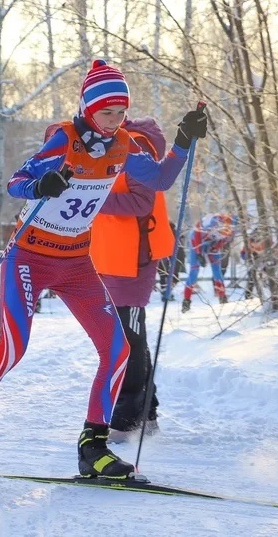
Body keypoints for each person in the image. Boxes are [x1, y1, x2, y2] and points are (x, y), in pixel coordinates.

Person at [0, 59, 207, 478]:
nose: (114, 121)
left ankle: (93, 448)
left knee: (118, 350)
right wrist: (42, 184)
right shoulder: (64, 138)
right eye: (107, 112)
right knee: (14, 347)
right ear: (88, 109)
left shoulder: (124, 144)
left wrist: (183, 140)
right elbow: (16, 183)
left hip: (75, 263)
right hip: (31, 258)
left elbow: (162, 179)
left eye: (121, 112)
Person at [90, 116, 174, 442]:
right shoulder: (100, 145)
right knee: (131, 337)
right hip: (111, 256)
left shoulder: (134, 146)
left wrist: (93, 200)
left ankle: (126, 421)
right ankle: (147, 414)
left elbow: (142, 202)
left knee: (128, 340)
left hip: (135, 258)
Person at [181, 213, 235, 312]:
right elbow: (197, 231)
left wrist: (215, 248)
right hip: (197, 241)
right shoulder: (213, 222)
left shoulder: (231, 231)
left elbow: (223, 242)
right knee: (194, 273)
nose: (226, 232)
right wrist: (198, 253)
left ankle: (222, 298)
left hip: (212, 244)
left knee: (217, 272)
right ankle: (186, 301)